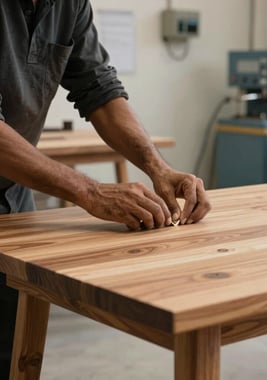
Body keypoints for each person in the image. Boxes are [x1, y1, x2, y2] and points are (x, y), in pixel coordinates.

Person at [0, 0, 211, 377]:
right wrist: (89, 191)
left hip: (12, 196)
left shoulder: (69, 5)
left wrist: (158, 168)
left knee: (10, 345)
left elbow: (99, 90)